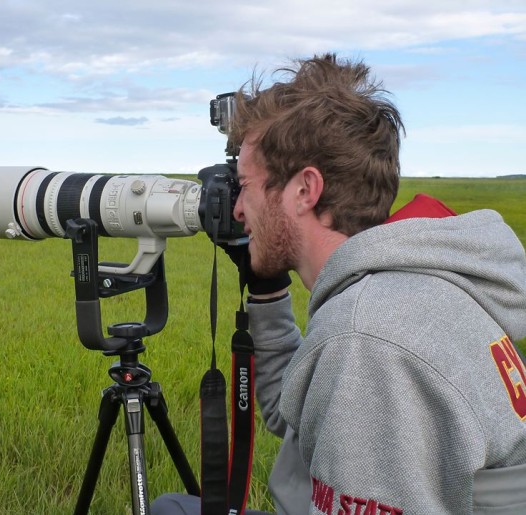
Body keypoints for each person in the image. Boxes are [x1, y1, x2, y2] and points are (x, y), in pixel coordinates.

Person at [152, 54, 526, 514]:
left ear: (305, 190)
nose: (236, 212)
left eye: (245, 186)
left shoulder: (366, 340)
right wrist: (266, 288)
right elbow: (291, 414)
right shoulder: (414, 288)